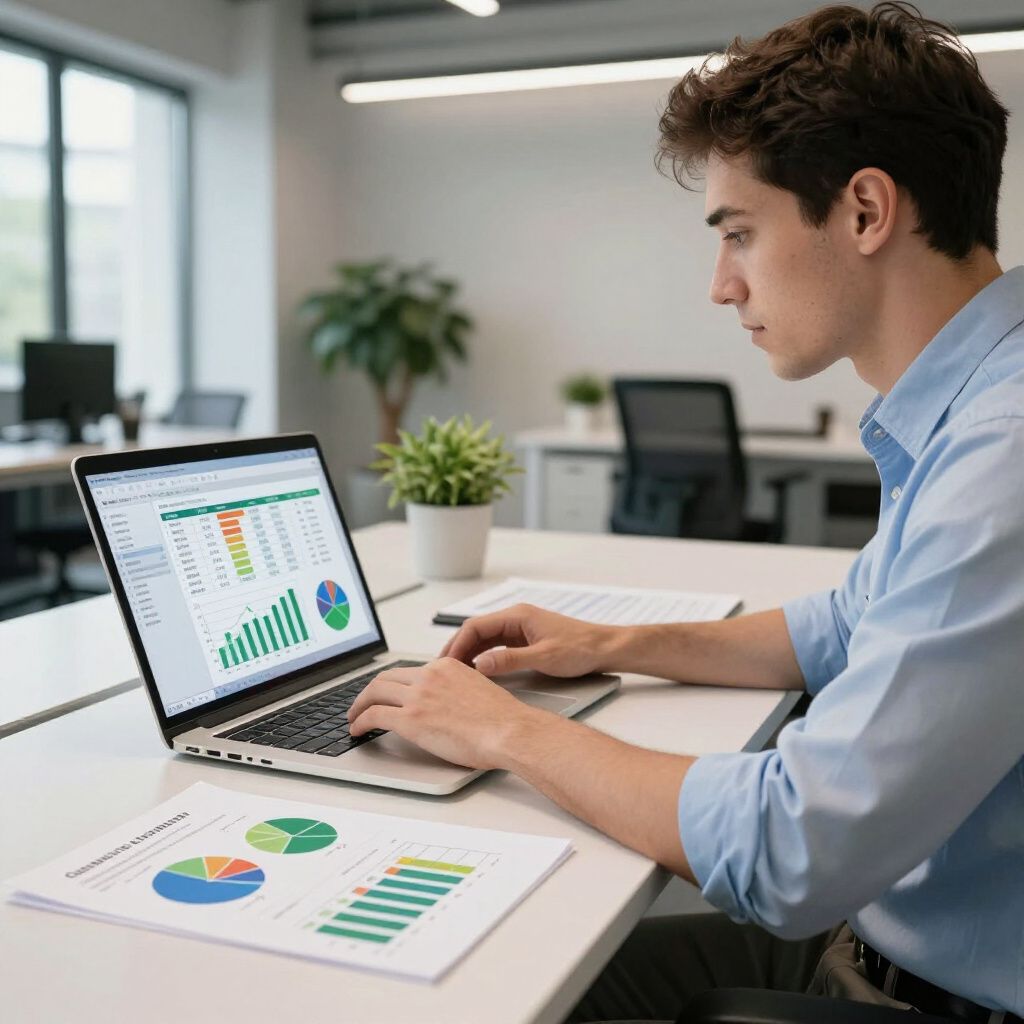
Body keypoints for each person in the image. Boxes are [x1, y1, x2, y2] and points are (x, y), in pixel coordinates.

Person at [348, 3, 1024, 1020]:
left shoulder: (1002, 452)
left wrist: (503, 732)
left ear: (865, 211)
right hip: (878, 944)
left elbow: (790, 848)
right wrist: (612, 640)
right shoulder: (976, 402)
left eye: (739, 233)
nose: (721, 285)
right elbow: (846, 624)